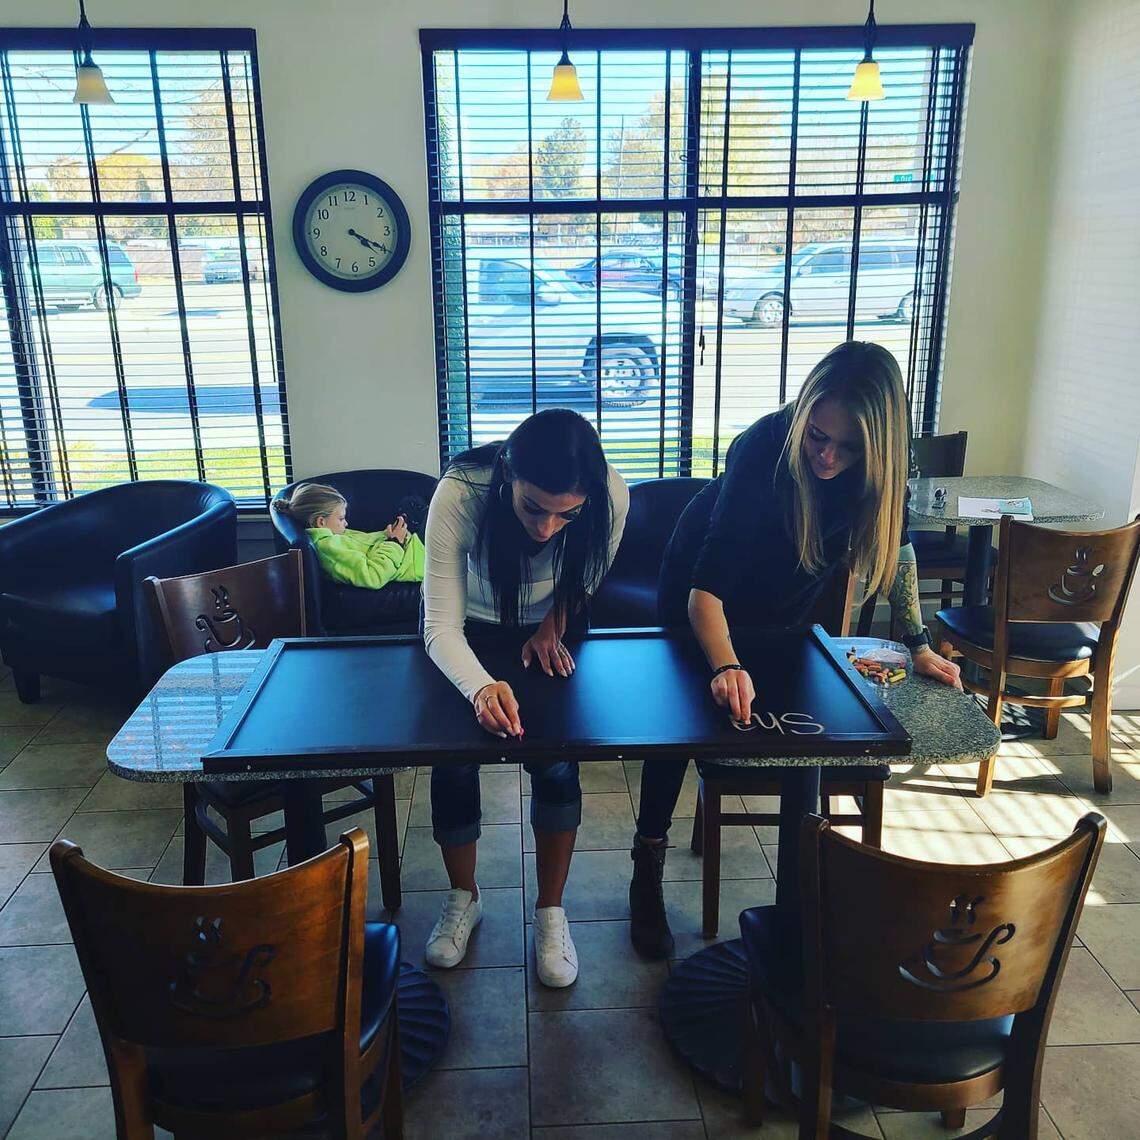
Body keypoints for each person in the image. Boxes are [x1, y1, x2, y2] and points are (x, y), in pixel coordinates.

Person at [628, 341, 962, 959]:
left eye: (848, 447)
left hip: (783, 599)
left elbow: (899, 546)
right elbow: (706, 592)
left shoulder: (879, 466)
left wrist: (917, 642)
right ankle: (646, 866)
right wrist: (727, 664)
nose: (828, 458)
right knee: (674, 728)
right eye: (816, 438)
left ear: (878, 445)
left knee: (796, 728)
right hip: (701, 590)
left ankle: (800, 885)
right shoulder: (763, 448)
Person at [421, 409, 629, 987]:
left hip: (550, 628)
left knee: (557, 759)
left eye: (568, 514)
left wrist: (553, 625)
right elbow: (440, 625)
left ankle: (551, 911)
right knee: (455, 761)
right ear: (509, 475)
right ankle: (465, 897)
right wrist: (481, 686)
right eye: (534, 507)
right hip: (470, 629)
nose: (546, 528)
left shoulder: (610, 493)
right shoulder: (462, 491)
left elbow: (588, 576)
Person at [273, 483, 425, 590]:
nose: (346, 523)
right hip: (418, 558)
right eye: (341, 518)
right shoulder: (329, 549)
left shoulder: (334, 534)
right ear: (320, 521)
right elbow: (373, 576)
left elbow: (367, 546)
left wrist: (389, 534)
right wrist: (394, 542)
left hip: (412, 545)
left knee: (414, 503)